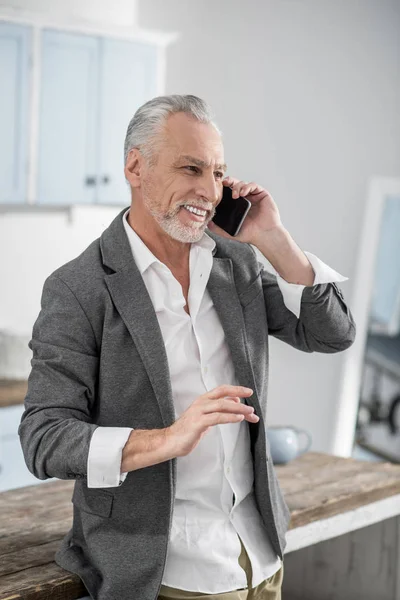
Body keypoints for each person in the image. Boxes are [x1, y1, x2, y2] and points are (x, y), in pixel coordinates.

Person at [18, 94, 356, 600]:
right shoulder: (80, 288)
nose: (209, 190)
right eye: (190, 168)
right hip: (165, 569)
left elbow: (331, 334)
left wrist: (274, 239)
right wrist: (167, 439)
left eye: (218, 173)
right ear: (136, 166)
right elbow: (43, 437)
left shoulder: (236, 263)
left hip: (258, 555)